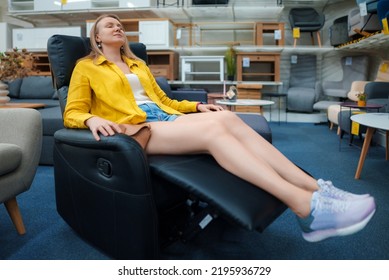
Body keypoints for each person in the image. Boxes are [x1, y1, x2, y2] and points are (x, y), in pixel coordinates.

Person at [64, 14, 376, 242]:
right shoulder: (86, 67)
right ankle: (306, 207)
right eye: (109, 25)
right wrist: (91, 119)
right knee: (214, 133)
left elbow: (163, 100)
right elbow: (73, 111)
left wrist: (198, 106)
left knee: (227, 118)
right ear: (98, 38)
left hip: (165, 118)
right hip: (137, 129)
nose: (117, 26)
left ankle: (316, 187)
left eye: (120, 24)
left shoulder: (137, 65)